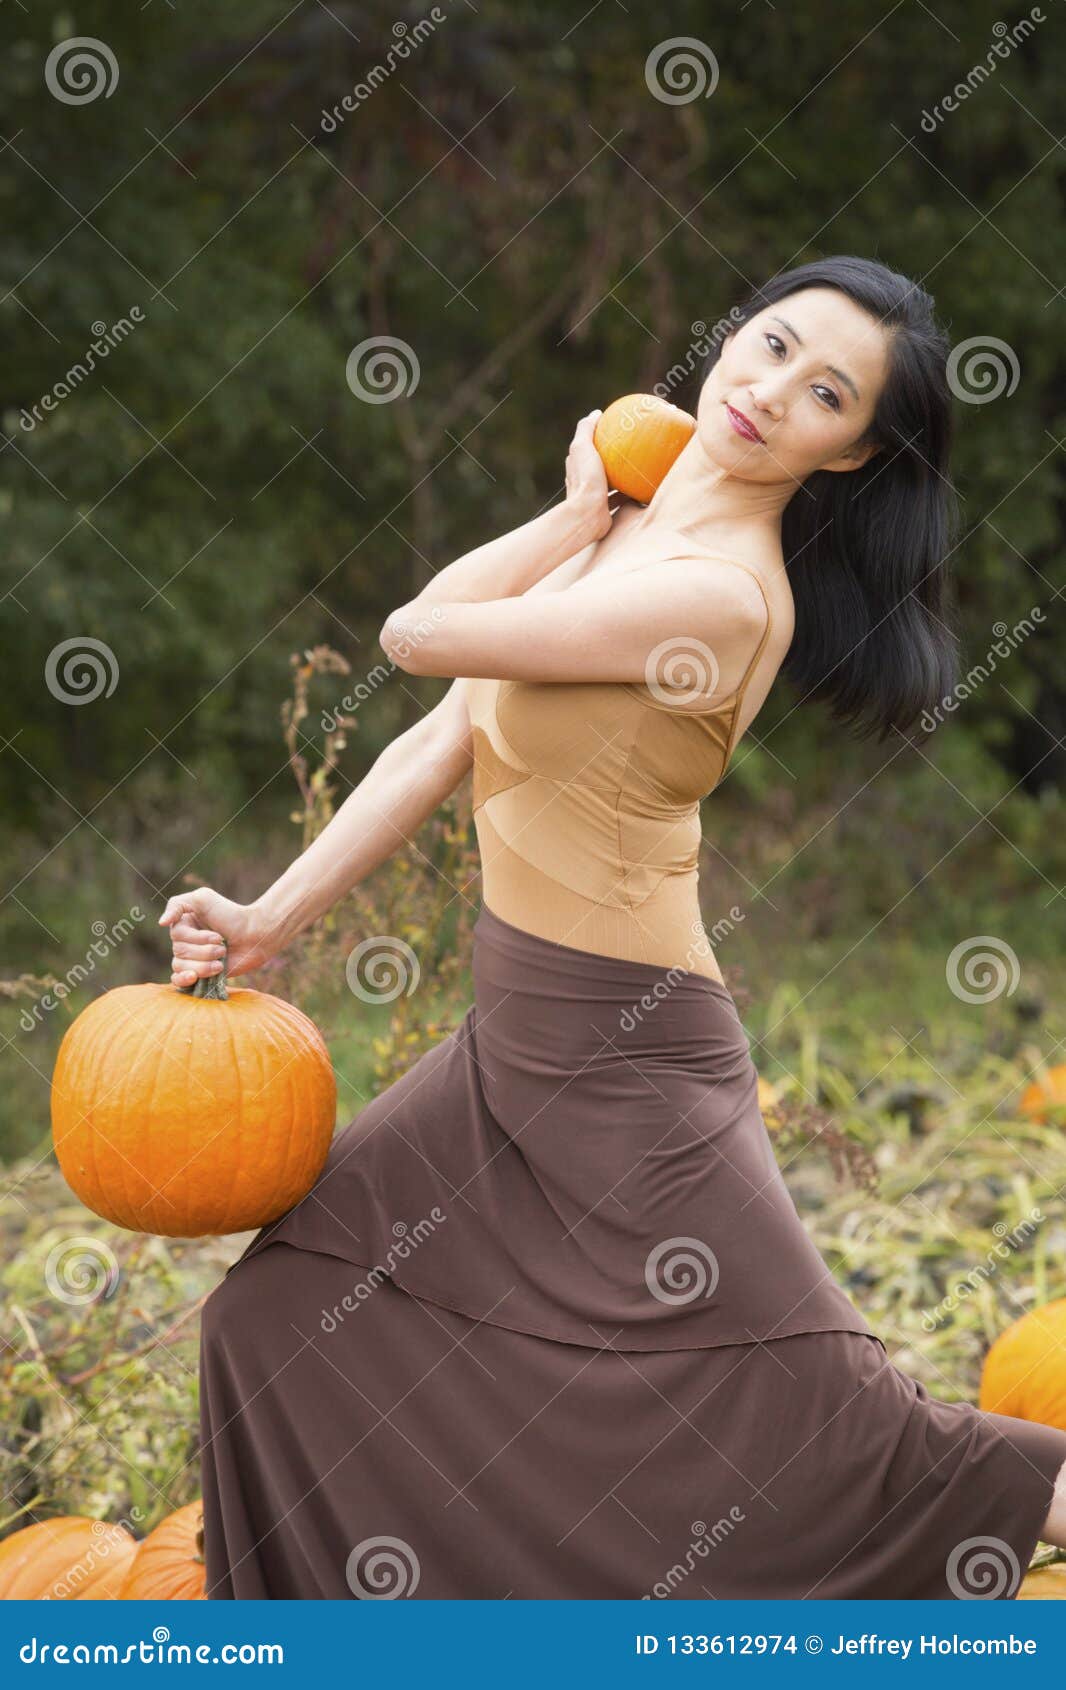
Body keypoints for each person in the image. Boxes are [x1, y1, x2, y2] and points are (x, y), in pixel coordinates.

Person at [167, 256, 1066, 1600]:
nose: (765, 393)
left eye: (821, 392)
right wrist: (269, 916)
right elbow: (446, 727)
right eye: (766, 346)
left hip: (630, 1061)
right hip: (511, 1041)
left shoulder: (721, 593)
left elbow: (420, 633)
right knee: (279, 1311)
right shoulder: (640, 527)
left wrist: (568, 513)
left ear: (850, 450)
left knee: (855, 1430)